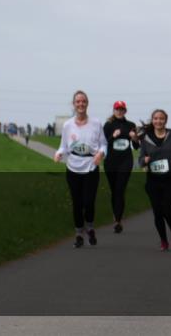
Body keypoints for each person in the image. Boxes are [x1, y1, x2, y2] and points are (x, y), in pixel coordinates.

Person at [54, 90, 108, 248]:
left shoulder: (96, 123)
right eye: (78, 101)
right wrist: (58, 154)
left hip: (91, 167)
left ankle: (90, 227)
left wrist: (101, 154)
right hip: (73, 168)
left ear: (87, 104)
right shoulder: (67, 125)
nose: (81, 104)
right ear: (73, 104)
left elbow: (104, 144)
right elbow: (63, 146)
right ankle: (78, 234)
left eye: (83, 101)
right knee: (77, 203)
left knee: (89, 202)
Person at [138, 109, 171, 252]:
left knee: (167, 211)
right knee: (157, 213)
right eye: (155, 118)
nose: (158, 121)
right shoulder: (146, 138)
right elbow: (140, 160)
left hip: (170, 180)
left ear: (166, 120)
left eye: (161, 119)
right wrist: (144, 160)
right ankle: (164, 241)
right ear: (152, 120)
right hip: (153, 181)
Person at [102, 100, 140, 233]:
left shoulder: (131, 125)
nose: (119, 111)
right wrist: (113, 136)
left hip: (126, 161)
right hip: (111, 161)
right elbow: (103, 144)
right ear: (113, 110)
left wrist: (134, 138)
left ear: (125, 111)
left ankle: (118, 221)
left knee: (120, 189)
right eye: (117, 109)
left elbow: (136, 147)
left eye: (122, 109)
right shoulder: (108, 125)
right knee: (114, 190)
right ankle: (116, 215)